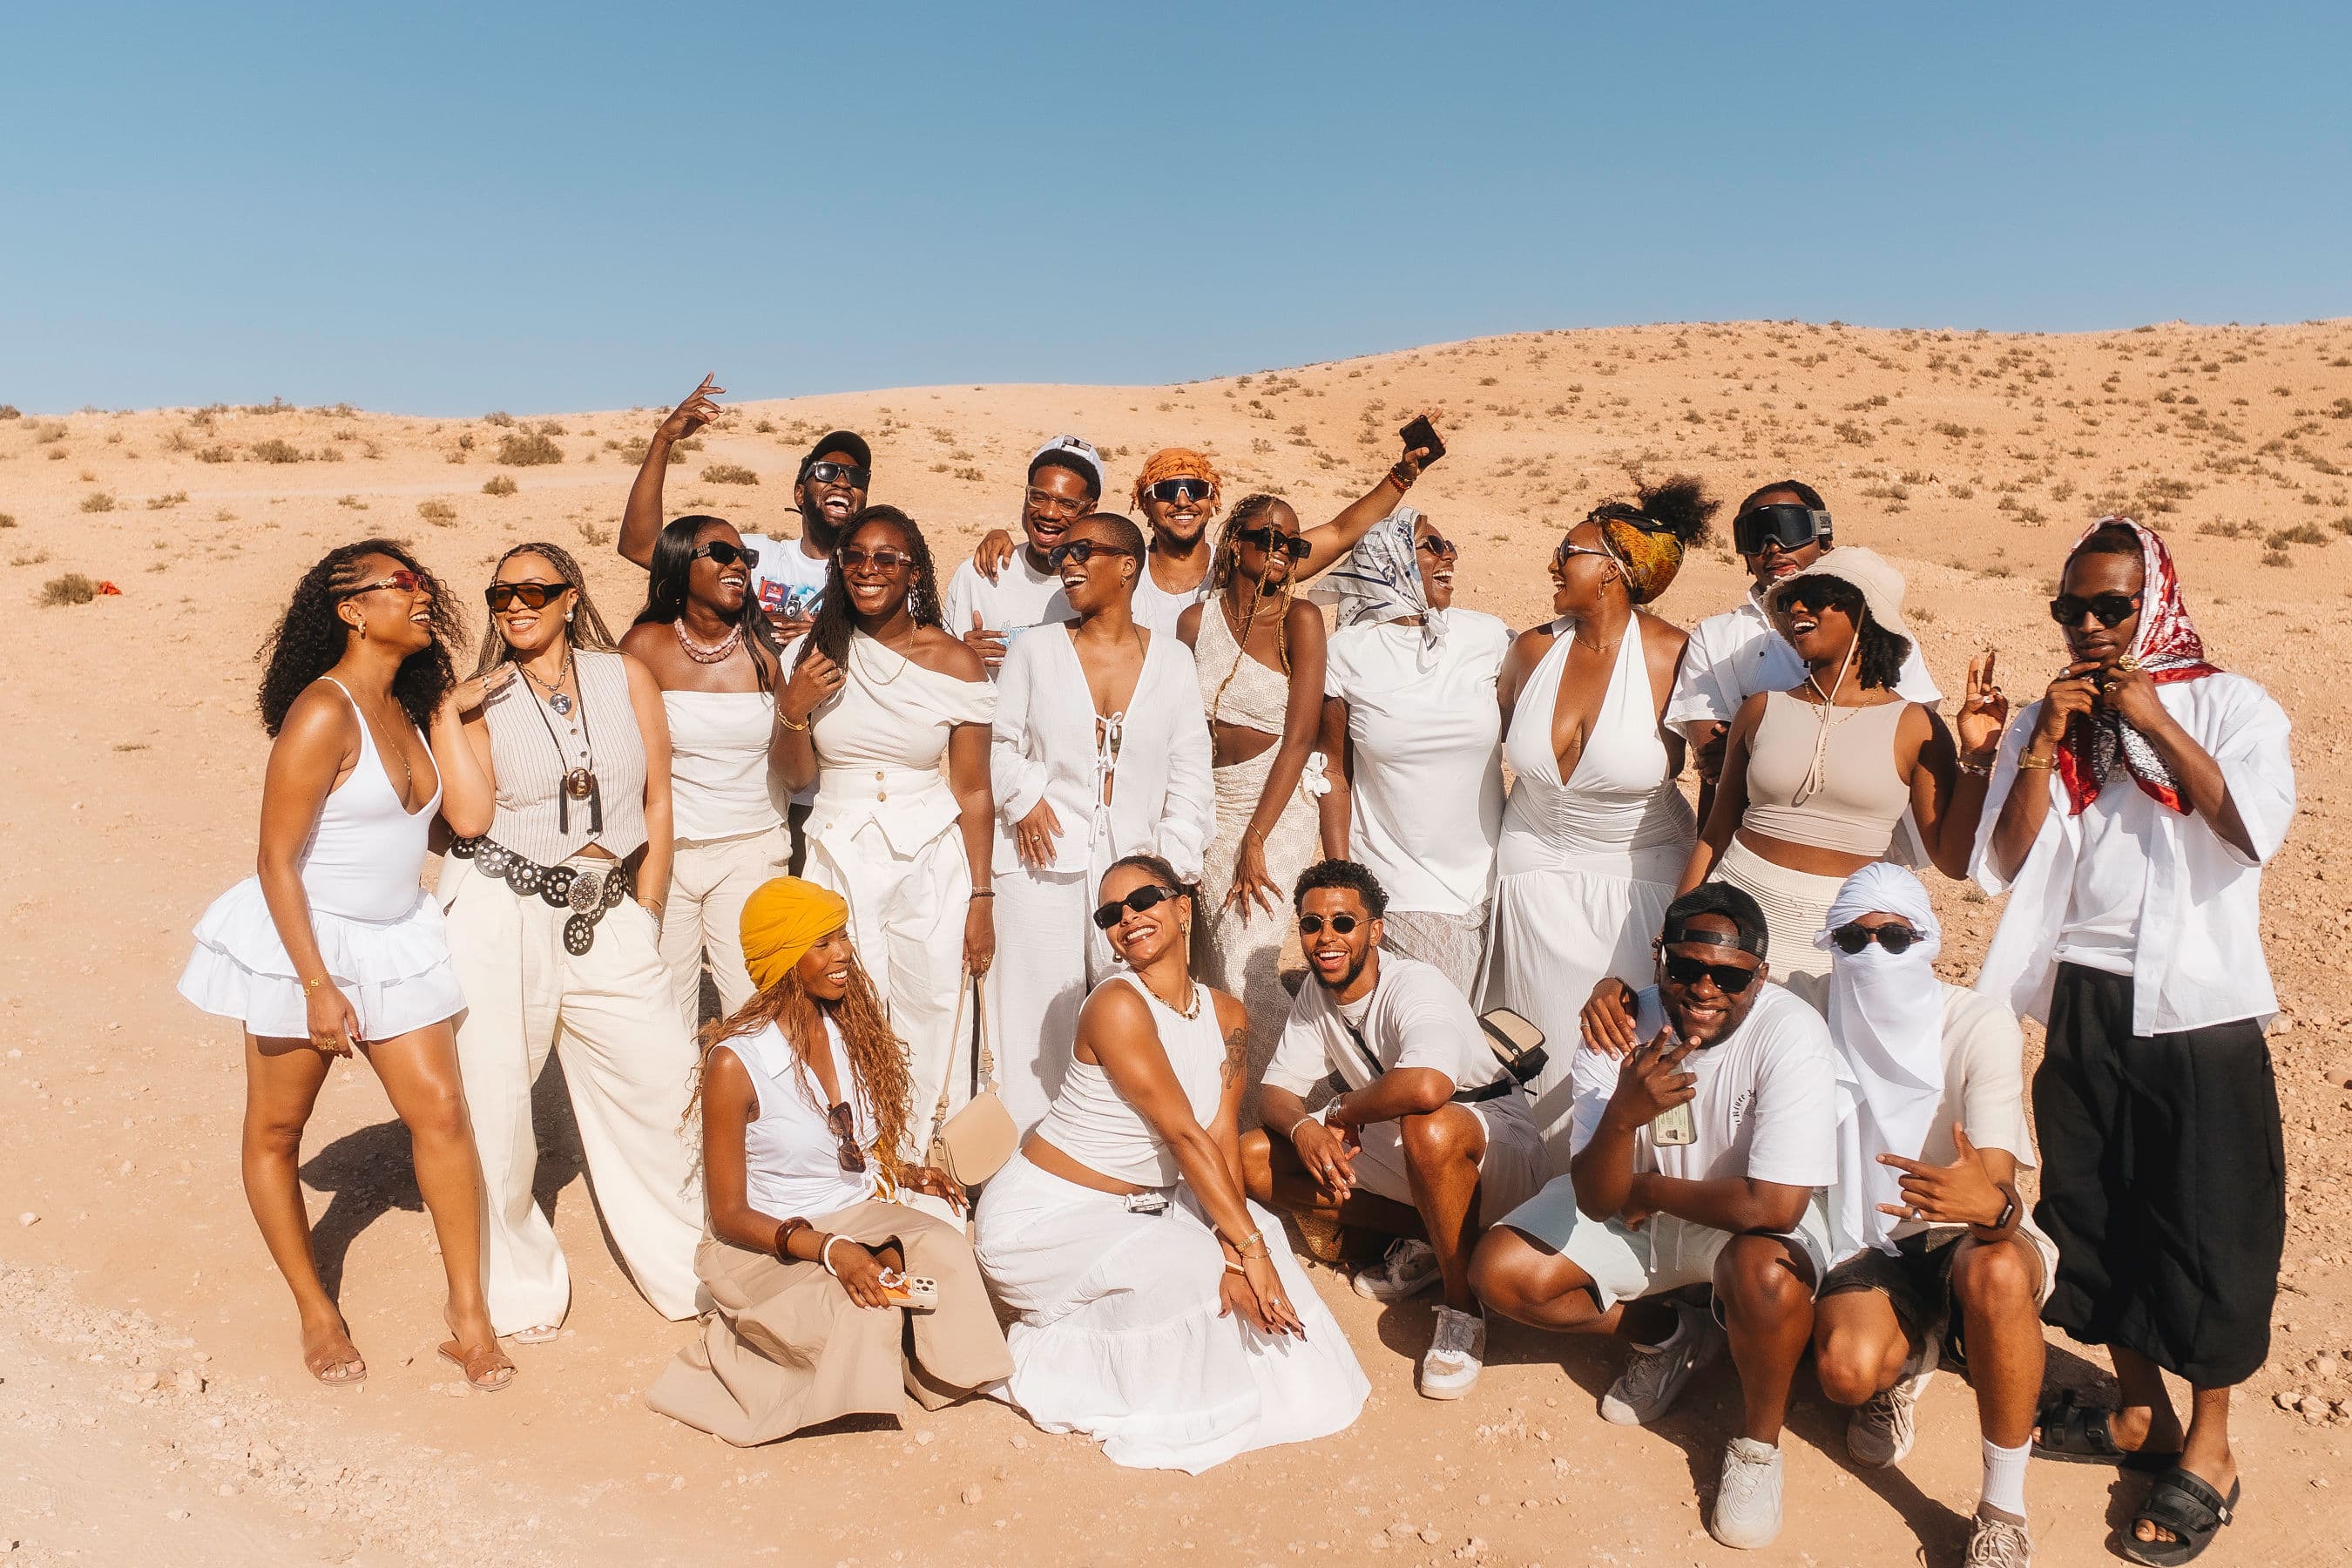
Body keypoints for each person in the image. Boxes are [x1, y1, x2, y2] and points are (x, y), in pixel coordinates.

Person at [1974, 517, 2293, 1565]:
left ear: (2153, 602)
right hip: (2083, 997)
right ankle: (2140, 1410)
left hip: (2197, 1008)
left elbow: (2251, 828)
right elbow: (2003, 863)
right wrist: (2036, 750)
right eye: (2073, 609)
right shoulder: (2049, 716)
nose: (2091, 628)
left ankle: (2212, 1447)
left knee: (2208, 1223)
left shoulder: (2231, 704)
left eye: (2111, 606)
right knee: (2092, 1206)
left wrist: (2153, 719)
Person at [179, 541, 512, 1391]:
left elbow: (437, 830)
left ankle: (467, 1317)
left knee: (440, 1113)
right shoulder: (322, 712)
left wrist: (461, 718)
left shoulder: (405, 704)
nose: (423, 594)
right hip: (307, 942)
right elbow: (276, 861)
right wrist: (317, 985)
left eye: (426, 583)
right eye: (401, 586)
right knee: (277, 1133)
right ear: (352, 610)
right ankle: (315, 1310)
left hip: (396, 936)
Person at [1470, 884, 1841, 1551]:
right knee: (1501, 1273)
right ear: (1658, 957)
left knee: (1767, 1275)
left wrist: (1651, 1189)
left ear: (1760, 975)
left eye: (1728, 975)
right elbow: (1593, 1197)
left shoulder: (1792, 1035)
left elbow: (1776, 1205)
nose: (1703, 988)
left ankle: (1758, 1448)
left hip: (1737, 1222)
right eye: (1684, 967)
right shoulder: (1616, 1025)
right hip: (1636, 1207)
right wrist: (1622, 1114)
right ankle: (1670, 1334)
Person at [974, 855, 1369, 1472]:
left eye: (1144, 900)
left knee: (1258, 1232)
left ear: (1183, 906)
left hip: (1139, 1209)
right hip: (1043, 1219)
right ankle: (1046, 1354)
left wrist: (1243, 1245)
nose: (1127, 918)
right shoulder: (1115, 1005)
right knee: (1198, 1268)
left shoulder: (1227, 1015)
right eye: (1110, 913)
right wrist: (1237, 1255)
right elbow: (1183, 1135)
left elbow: (1217, 1137)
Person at [442, 542, 703, 1342]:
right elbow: (470, 820)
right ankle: (517, 1284)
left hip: (610, 907)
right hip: (503, 907)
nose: (515, 605)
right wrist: (444, 715)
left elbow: (659, 798)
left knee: (664, 1083)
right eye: (499, 594)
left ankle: (692, 1265)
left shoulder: (623, 675)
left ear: (568, 597)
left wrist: (648, 908)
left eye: (533, 590)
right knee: (497, 1098)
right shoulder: (481, 699)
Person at [645, 877, 1013, 1443]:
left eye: (842, 936)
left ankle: (932, 1368)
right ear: (783, 958)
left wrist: (907, 1172)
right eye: (822, 942)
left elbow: (848, 1149)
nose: (843, 952)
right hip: (771, 1243)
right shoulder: (734, 1063)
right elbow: (729, 1216)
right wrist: (832, 1250)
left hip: (854, 1213)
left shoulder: (848, 1026)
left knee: (942, 1251)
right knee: (870, 1306)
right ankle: (774, 1351)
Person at [1794, 863, 2056, 1568]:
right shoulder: (1809, 1003)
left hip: (1966, 1231)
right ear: (1830, 945)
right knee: (1847, 1374)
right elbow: (1704, 996)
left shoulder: (1975, 1021)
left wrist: (1993, 1209)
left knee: (1998, 1271)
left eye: (1895, 936)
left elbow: (1994, 1183)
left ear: (1929, 941)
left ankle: (2003, 1509)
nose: (1873, 953)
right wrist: (1623, 994)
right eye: (1852, 938)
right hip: (1863, 1228)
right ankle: (1915, 1347)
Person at [1244, 861, 1544, 1400]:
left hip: (1491, 1144)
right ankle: (1434, 1239)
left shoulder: (1415, 985)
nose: (1326, 938)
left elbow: (1429, 1086)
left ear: (1375, 930)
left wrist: (1335, 1115)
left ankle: (1462, 1307)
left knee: (1429, 1129)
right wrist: (1305, 1131)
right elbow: (1276, 1095)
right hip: (1405, 1141)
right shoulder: (1317, 993)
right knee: (1252, 1156)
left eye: (1343, 923)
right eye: (1312, 925)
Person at [1479, 480, 1715, 1152]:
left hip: (1637, 883)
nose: (1554, 565)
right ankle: (1539, 1202)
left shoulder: (1677, 656)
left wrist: (1691, 906)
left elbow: (1717, 784)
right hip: (1530, 877)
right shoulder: (1531, 650)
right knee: (1538, 1052)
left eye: (1567, 552)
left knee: (1638, 1052)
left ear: (1611, 569)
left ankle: (1653, 1205)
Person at [1680, 545, 2006, 1000]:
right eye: (1792, 599)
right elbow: (1716, 832)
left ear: (1865, 613)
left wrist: (1978, 758)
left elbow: (1951, 862)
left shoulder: (1914, 725)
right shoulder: (1760, 709)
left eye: (1816, 595)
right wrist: (1677, 925)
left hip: (1843, 935)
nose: (1797, 607)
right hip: (1736, 918)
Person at [771, 506, 996, 1158]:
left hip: (932, 858)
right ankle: (863, 1152)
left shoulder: (953, 662)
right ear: (839, 567)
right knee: (847, 1008)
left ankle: (934, 1157)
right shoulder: (811, 655)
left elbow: (975, 789)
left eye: (886, 557)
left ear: (914, 572)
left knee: (932, 1004)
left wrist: (982, 897)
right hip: (838, 849)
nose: (869, 569)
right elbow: (793, 777)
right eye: (855, 556)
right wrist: (791, 708)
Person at [987, 513, 1213, 1133]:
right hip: (1039, 863)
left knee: (1137, 1015)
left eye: (1085, 549)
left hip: (1133, 876)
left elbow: (1191, 771)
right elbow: (999, 744)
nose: (1067, 559)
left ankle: (1130, 1153)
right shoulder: (1034, 648)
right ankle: (1027, 1162)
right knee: (1034, 1020)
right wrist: (1025, 798)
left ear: (1127, 565)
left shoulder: (1171, 661)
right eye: (1063, 550)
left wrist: (1170, 867)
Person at [619, 376, 870, 871]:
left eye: (856, 476)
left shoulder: (872, 572)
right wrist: (663, 441)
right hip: (769, 790)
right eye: (827, 470)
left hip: (840, 789)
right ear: (801, 492)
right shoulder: (751, 556)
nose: (843, 480)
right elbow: (641, 545)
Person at [964, 423, 1444, 638]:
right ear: (1143, 506)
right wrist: (1005, 537)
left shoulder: (1243, 564)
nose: (1181, 499)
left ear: (1213, 502)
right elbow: (1049, 549)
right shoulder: (1118, 572)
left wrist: (1401, 476)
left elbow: (1340, 532)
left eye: (1194, 488)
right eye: (1165, 489)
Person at [1179, 495, 1337, 1110]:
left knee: (1254, 960)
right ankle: (1233, 1119)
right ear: (1235, 543)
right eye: (1268, 538)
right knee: (1215, 962)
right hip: (1211, 803)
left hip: (1276, 801)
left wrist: (1257, 838)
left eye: (1293, 545)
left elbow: (1301, 736)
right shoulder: (1194, 623)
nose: (1281, 553)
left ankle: (1298, 1109)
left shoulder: (1301, 621)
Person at [1316, 507, 1511, 995]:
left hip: (1496, 881)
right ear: (1391, 559)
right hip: (1400, 885)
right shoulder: (1346, 653)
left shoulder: (1487, 636)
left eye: (1450, 546)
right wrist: (1346, 882)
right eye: (1431, 545)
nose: (1449, 556)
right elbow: (1334, 772)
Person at [1666, 482, 1940, 826]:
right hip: (1738, 834)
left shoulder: (1878, 632)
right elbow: (1712, 760)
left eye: (1788, 529)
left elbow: (1905, 746)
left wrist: (1750, 748)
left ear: (1824, 540)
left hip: (1857, 839)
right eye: (1755, 535)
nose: (1773, 546)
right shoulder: (1716, 637)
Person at [619, 515, 791, 1032]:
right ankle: (676, 1115)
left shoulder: (769, 651)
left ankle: (755, 1113)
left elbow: (796, 766)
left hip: (751, 849)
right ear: (678, 565)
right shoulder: (642, 647)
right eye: (722, 552)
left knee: (753, 1006)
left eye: (746, 556)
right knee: (664, 1006)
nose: (739, 563)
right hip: (664, 852)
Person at [941, 436, 1107, 671]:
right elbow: (942, 671)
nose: (1049, 513)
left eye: (1067, 504)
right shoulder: (978, 575)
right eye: (1039, 497)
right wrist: (960, 657)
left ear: (1090, 511)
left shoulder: (1103, 587)